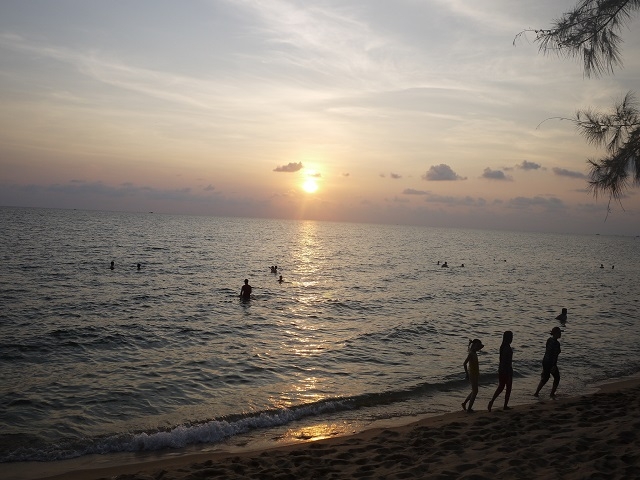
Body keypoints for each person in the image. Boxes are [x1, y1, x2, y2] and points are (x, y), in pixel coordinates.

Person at [487, 331, 513, 412]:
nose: (512, 338)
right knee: (508, 388)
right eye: (511, 337)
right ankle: (505, 405)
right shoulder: (507, 348)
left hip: (501, 369)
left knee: (501, 387)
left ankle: (492, 401)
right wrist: (508, 372)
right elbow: (506, 361)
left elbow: (501, 360)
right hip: (506, 369)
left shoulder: (502, 347)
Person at [534, 327, 562, 398]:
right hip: (551, 363)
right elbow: (554, 356)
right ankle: (552, 394)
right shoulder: (556, 343)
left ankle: (537, 392)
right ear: (556, 333)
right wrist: (554, 365)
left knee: (545, 378)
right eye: (559, 332)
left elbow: (547, 352)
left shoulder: (549, 340)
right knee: (557, 377)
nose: (560, 334)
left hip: (545, 361)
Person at [462, 338, 484, 412]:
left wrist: (476, 345)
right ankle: (469, 408)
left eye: (478, 347)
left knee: (474, 391)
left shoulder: (474, 352)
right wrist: (467, 374)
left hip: (475, 373)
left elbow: (482, 346)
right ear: (473, 346)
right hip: (472, 374)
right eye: (477, 346)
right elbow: (464, 364)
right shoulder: (471, 353)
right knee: (475, 391)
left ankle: (464, 403)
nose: (478, 348)